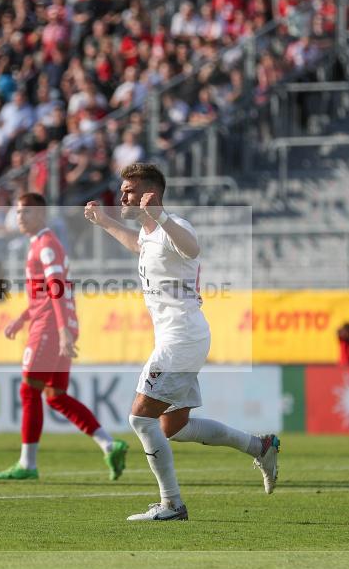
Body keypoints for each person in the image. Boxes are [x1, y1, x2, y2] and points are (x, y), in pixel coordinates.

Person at [84, 163, 280, 521]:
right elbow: (139, 246)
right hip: (182, 336)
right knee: (172, 428)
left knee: (140, 418)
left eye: (129, 191)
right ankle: (260, 446)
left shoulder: (174, 225)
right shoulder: (148, 234)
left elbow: (191, 248)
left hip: (181, 337)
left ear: (150, 194)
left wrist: (160, 216)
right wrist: (106, 222)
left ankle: (172, 505)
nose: (122, 196)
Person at [0, 192, 128, 481]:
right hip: (52, 323)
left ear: (41, 214)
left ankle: (27, 464)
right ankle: (109, 444)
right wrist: (21, 319)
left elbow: (57, 286)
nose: (19, 217)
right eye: (18, 212)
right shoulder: (40, 244)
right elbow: (44, 292)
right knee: (55, 396)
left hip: (51, 326)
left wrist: (63, 330)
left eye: (26, 212)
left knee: (29, 390)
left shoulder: (46, 245)